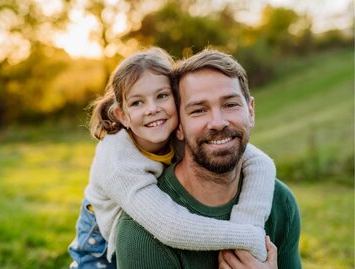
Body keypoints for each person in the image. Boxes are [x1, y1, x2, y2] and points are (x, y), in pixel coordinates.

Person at [68, 47, 277, 269]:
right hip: (99, 242)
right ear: (122, 115)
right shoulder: (117, 160)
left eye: (162, 96)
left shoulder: (177, 130)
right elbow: (169, 226)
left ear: (178, 101)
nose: (152, 109)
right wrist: (245, 237)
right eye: (137, 102)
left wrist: (248, 221)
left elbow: (260, 162)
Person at [115, 49, 302, 269]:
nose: (218, 122)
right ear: (178, 127)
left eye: (230, 104)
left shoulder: (280, 202)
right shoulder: (141, 232)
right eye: (198, 110)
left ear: (251, 112)